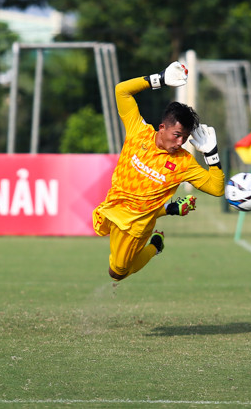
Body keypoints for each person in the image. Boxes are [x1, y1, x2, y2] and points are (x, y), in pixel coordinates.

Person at [92, 61, 225, 281]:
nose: (181, 142)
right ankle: (168, 208)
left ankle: (155, 246)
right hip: (111, 207)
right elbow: (121, 90)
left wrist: (212, 155)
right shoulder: (139, 132)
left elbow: (217, 188)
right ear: (162, 127)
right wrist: (160, 79)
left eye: (185, 137)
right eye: (177, 134)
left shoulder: (184, 162)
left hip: (135, 228)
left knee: (117, 273)